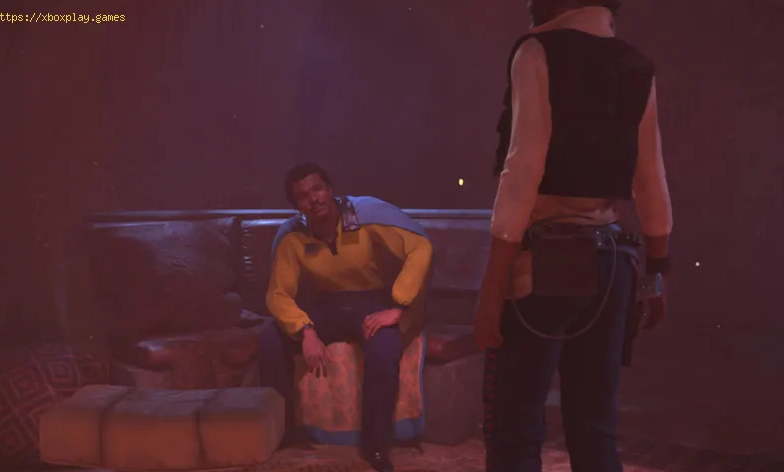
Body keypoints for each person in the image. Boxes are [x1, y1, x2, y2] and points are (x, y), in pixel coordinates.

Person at [474, 1, 673, 471]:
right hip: (613, 264)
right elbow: (651, 177)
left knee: (515, 430)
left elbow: (523, 170)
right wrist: (657, 272)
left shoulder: (537, 51)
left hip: (543, 267)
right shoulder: (637, 65)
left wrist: (493, 286)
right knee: (595, 430)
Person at [259, 163, 433, 472]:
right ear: (297, 206)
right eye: (303, 196)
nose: (314, 198)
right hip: (325, 305)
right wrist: (305, 330)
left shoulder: (366, 215)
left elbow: (420, 246)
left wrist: (399, 305)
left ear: (330, 189)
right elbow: (278, 294)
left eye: (318, 188)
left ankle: (376, 447)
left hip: (370, 300)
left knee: (384, 347)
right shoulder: (292, 235)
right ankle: (282, 434)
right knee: (271, 337)